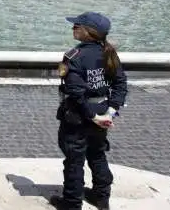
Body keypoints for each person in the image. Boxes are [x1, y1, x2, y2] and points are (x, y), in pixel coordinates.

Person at [50, 12, 128, 210]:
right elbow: (120, 85)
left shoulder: (73, 56)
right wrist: (109, 113)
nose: (73, 27)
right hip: (102, 111)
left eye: (77, 25)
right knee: (97, 153)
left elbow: (76, 93)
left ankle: (72, 203)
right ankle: (102, 198)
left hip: (78, 116)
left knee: (75, 160)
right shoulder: (109, 53)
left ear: (88, 32)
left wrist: (93, 117)